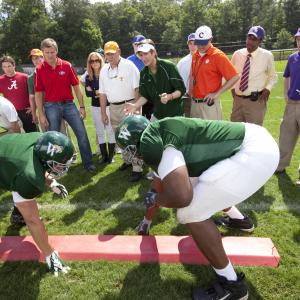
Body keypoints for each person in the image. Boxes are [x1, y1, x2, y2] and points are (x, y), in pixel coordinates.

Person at [116, 115, 279, 299]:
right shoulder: (161, 137)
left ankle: (232, 286)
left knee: (190, 212)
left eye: (129, 149)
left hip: (254, 152)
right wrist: (147, 219)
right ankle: (239, 220)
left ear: (138, 142)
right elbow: (159, 186)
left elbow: (181, 197)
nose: (129, 156)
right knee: (203, 187)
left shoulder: (159, 147)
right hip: (257, 143)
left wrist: (156, 198)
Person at [0, 131, 74, 275]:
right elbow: (33, 221)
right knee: (31, 216)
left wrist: (52, 182)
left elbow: (37, 163)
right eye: (61, 164)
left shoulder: (41, 140)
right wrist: (49, 254)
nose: (64, 166)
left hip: (10, 154)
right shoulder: (29, 178)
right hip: (11, 163)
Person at [34, 38, 96, 172]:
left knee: (82, 134)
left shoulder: (67, 65)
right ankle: (56, 166)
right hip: (51, 106)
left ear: (56, 51)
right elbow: (38, 94)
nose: (50, 55)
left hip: (69, 105)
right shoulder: (39, 69)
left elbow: (76, 87)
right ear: (43, 53)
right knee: (53, 139)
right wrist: (41, 114)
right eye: (47, 52)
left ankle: (88, 163)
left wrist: (81, 106)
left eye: (52, 51)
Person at [99, 41, 142, 182]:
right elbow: (103, 93)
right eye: (107, 54)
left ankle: (137, 167)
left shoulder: (129, 65)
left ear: (119, 51)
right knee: (120, 136)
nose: (110, 56)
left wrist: (136, 107)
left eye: (112, 53)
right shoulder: (104, 70)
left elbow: (137, 88)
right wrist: (103, 113)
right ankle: (127, 160)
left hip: (129, 104)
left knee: (133, 136)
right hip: (113, 107)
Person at [189, 25, 240, 120]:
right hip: (195, 104)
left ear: (211, 39)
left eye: (204, 43)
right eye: (198, 43)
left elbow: (235, 77)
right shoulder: (195, 55)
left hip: (209, 105)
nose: (201, 46)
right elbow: (193, 76)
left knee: (211, 135)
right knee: (195, 134)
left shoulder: (218, 56)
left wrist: (217, 93)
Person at [231, 25, 278, 126]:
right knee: (235, 132)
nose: (250, 41)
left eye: (254, 39)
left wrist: (268, 89)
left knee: (254, 134)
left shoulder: (267, 56)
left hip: (256, 102)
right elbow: (230, 74)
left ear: (260, 41)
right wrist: (232, 89)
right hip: (237, 101)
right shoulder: (237, 54)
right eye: (249, 38)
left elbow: (273, 76)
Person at [276, 28, 300, 185]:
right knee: (286, 136)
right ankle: (280, 166)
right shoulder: (292, 58)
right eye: (298, 39)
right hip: (291, 104)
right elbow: (287, 77)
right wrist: (285, 94)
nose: (299, 42)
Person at [85, 51, 115, 163]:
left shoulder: (107, 74)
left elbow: (110, 91)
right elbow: (88, 94)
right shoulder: (88, 77)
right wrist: (99, 92)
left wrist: (95, 91)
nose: (94, 63)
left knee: (110, 130)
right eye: (92, 61)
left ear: (100, 60)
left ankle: (111, 156)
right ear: (89, 63)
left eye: (96, 60)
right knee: (100, 131)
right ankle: (104, 156)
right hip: (95, 107)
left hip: (108, 106)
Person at [0, 56, 38, 132]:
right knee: (16, 136)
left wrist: (34, 106)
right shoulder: (0, 80)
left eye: (9, 66)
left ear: (14, 65)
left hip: (26, 111)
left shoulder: (24, 77)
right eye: (4, 67)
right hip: (11, 114)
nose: (7, 69)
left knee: (32, 134)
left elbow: (35, 93)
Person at [177, 33, 197, 117]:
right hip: (186, 97)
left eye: (194, 43)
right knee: (187, 121)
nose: (192, 46)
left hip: (199, 97)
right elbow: (177, 79)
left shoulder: (204, 59)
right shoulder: (182, 62)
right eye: (190, 43)